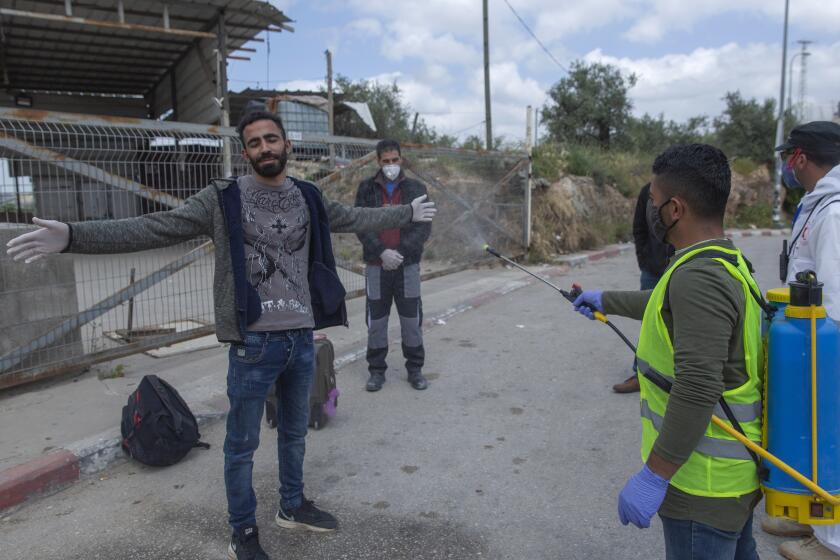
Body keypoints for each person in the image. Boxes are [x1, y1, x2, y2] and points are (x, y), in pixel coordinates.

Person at [5, 111, 437, 560]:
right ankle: (242, 531)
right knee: (242, 445)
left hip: (300, 338)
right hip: (254, 344)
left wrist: (406, 211)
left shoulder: (309, 195)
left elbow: (353, 216)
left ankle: (292, 505)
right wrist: (74, 236)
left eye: (272, 139)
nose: (265, 148)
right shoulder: (223, 197)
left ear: (287, 145)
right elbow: (155, 226)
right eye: (254, 143)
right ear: (246, 152)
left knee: (294, 432)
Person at [574, 144, 764, 560]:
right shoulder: (723, 260)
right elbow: (664, 304)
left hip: (703, 487)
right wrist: (605, 299)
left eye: (654, 203)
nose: (650, 211)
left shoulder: (699, 278)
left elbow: (697, 386)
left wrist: (654, 476)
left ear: (675, 209)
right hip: (730, 479)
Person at [764, 121, 840, 560]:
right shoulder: (820, 202)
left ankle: (831, 541)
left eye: (787, 158)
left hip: (823, 343)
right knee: (807, 432)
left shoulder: (833, 210)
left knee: (828, 434)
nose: (786, 167)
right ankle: (809, 509)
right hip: (808, 337)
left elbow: (835, 292)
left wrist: (822, 355)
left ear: (800, 158)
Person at [354, 139, 431, 392]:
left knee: (411, 319)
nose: (390, 165)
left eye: (394, 160)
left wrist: (398, 253)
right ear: (378, 161)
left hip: (407, 267)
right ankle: (376, 371)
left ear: (401, 159)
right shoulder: (366, 189)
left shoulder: (416, 188)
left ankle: (415, 370)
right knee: (376, 321)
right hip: (377, 267)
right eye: (385, 161)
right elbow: (360, 223)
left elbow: (423, 227)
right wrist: (381, 252)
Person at [613, 183, 674, 394]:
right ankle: (641, 373)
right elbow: (639, 229)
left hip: (680, 268)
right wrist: (644, 260)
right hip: (653, 270)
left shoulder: (684, 192)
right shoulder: (647, 193)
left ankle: (674, 375)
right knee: (649, 322)